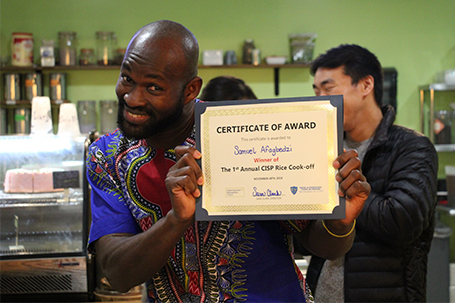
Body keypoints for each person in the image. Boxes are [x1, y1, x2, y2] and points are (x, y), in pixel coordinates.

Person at [86, 20, 370, 303]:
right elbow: (118, 274)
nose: (132, 98)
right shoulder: (107, 156)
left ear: (190, 90)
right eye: (127, 79)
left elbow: (323, 245)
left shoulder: (246, 130)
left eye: (153, 88)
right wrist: (176, 220)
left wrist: (341, 221)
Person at [306, 44, 438, 302]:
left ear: (366, 85)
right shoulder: (323, 146)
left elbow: (402, 221)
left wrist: (344, 198)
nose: (319, 99)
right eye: (316, 91)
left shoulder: (411, 146)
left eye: (329, 89)